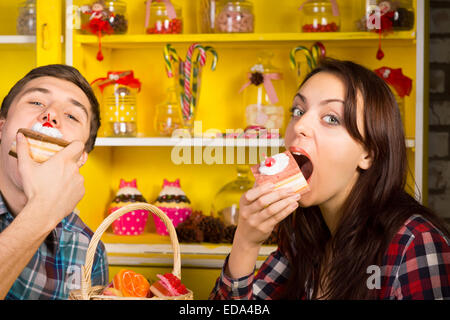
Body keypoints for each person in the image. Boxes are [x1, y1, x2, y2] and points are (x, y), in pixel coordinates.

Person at [209, 58, 450, 300]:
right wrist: (245, 244)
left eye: (331, 118)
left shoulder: (415, 245)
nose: (300, 125)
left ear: (368, 153)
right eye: (298, 111)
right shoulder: (301, 240)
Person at [0, 64, 108, 299]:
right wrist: (42, 212)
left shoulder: (88, 250)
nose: (50, 116)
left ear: (80, 158)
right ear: (2, 127)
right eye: (36, 102)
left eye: (71, 115)